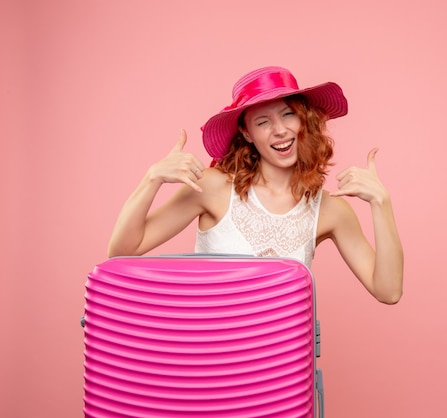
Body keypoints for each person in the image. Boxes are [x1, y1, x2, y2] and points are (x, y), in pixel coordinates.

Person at [108, 66, 403, 304]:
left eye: (288, 114)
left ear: (304, 121)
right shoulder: (212, 187)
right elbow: (121, 251)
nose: (280, 130)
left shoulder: (330, 209)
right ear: (247, 133)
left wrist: (382, 203)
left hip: (280, 367)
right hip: (209, 361)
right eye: (263, 122)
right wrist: (152, 179)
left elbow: (388, 291)